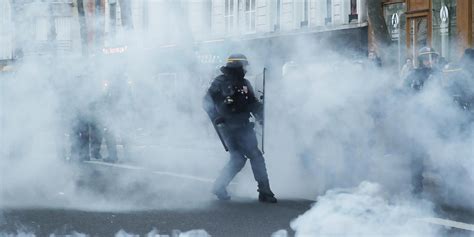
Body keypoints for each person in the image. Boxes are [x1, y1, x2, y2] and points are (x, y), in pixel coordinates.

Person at [203, 54, 277, 203]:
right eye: (243, 67)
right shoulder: (220, 82)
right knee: (248, 157)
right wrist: (217, 118)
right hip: (227, 126)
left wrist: (260, 114)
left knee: (242, 158)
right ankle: (264, 191)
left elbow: (252, 103)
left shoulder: (245, 84)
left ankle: (220, 186)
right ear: (236, 67)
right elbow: (206, 101)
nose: (245, 70)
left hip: (243, 125)